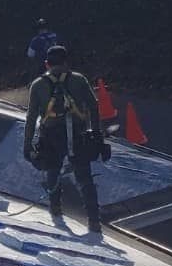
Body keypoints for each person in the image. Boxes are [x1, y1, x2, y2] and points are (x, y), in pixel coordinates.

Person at [22, 45, 110, 234]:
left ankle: (55, 209)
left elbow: (31, 117)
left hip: (51, 135)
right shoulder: (78, 80)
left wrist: (27, 145)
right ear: (66, 62)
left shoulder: (38, 85)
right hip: (77, 134)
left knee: (52, 171)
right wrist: (96, 135)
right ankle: (94, 220)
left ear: (47, 63)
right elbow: (94, 107)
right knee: (84, 177)